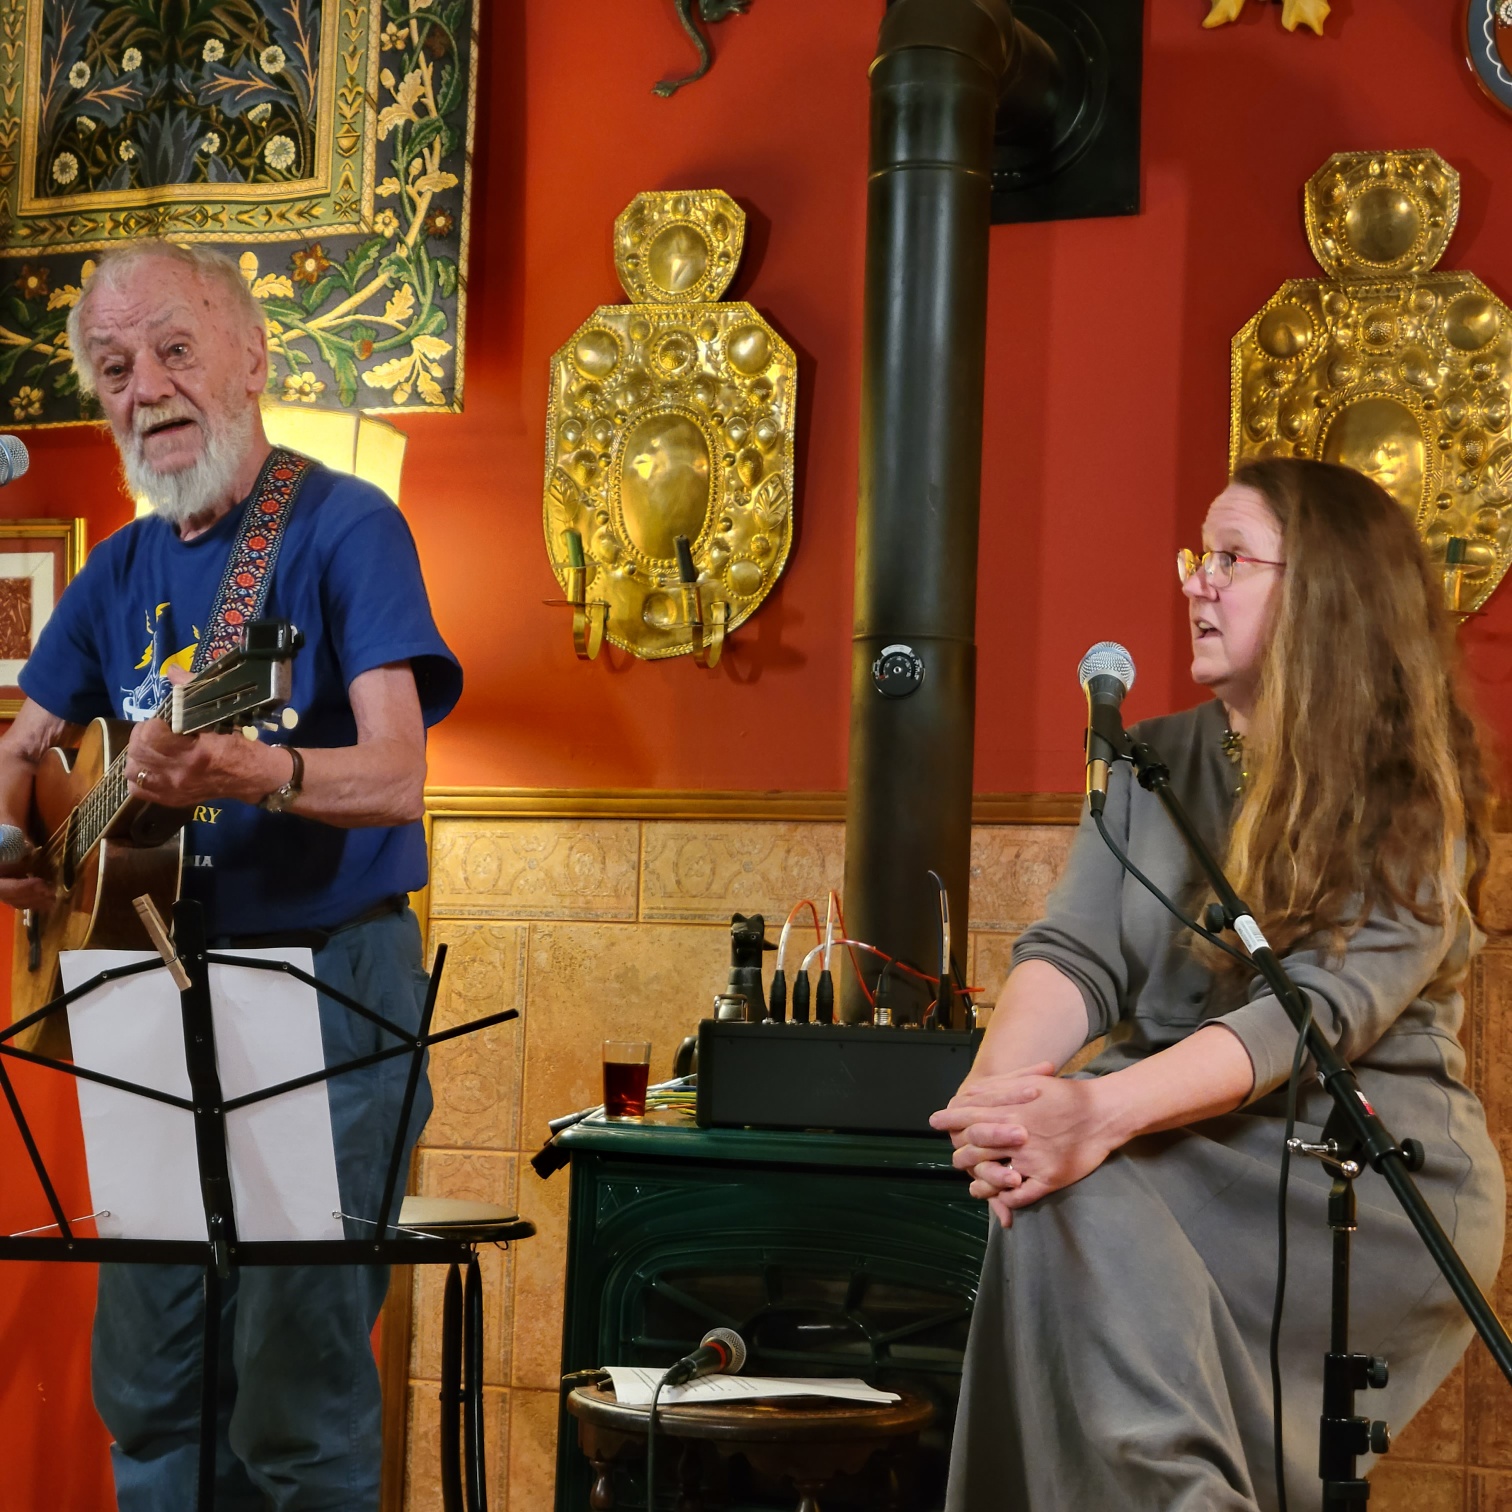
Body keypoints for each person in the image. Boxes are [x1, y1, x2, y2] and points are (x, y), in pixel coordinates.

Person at [932, 458, 1505, 1511]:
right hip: (1166, 1135)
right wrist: (999, 1109)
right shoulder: (1146, 758)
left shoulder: (1412, 793)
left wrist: (1096, 1114)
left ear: (1324, 592)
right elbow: (1075, 954)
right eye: (1199, 556)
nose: (1196, 580)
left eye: (1231, 559)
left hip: (1358, 1161)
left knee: (1078, 1184)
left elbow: (1309, 1014)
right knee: (1047, 1186)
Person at [0, 239, 461, 1510]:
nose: (143, 388)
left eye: (172, 350)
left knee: (294, 1395)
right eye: (113, 370)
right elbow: (23, 750)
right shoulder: (120, 567)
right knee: (148, 1387)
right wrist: (25, 850)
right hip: (148, 992)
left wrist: (255, 770)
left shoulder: (346, 527)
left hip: (323, 988)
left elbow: (396, 775)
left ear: (252, 359)